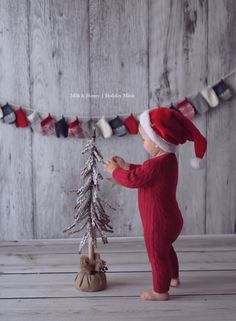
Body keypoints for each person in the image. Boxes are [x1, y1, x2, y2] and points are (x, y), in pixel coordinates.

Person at [103, 107, 207, 301]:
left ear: (158, 142)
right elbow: (143, 174)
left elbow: (134, 180)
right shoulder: (168, 160)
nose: (143, 142)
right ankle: (174, 278)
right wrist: (126, 166)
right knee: (167, 249)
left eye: (144, 139)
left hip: (157, 222)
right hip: (172, 219)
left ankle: (160, 290)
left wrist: (115, 171)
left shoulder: (154, 165)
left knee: (157, 255)